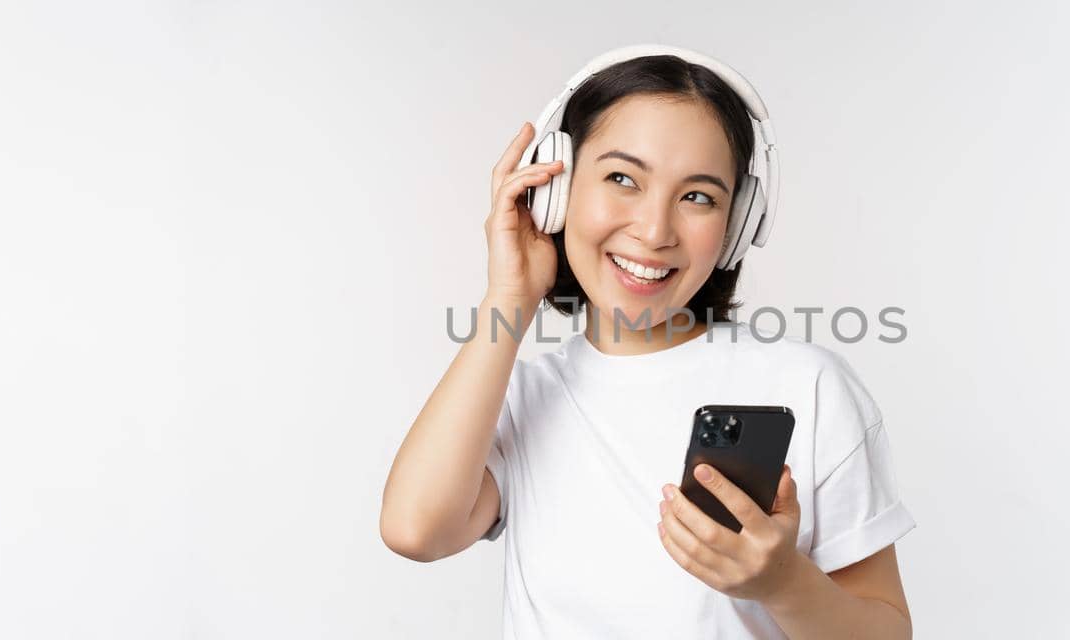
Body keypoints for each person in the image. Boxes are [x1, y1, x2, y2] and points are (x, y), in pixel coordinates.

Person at [380, 47, 916, 639]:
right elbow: (415, 530)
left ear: (736, 226)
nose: (655, 231)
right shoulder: (521, 398)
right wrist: (510, 296)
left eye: (698, 197)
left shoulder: (809, 385)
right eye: (621, 179)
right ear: (554, 192)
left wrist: (781, 582)